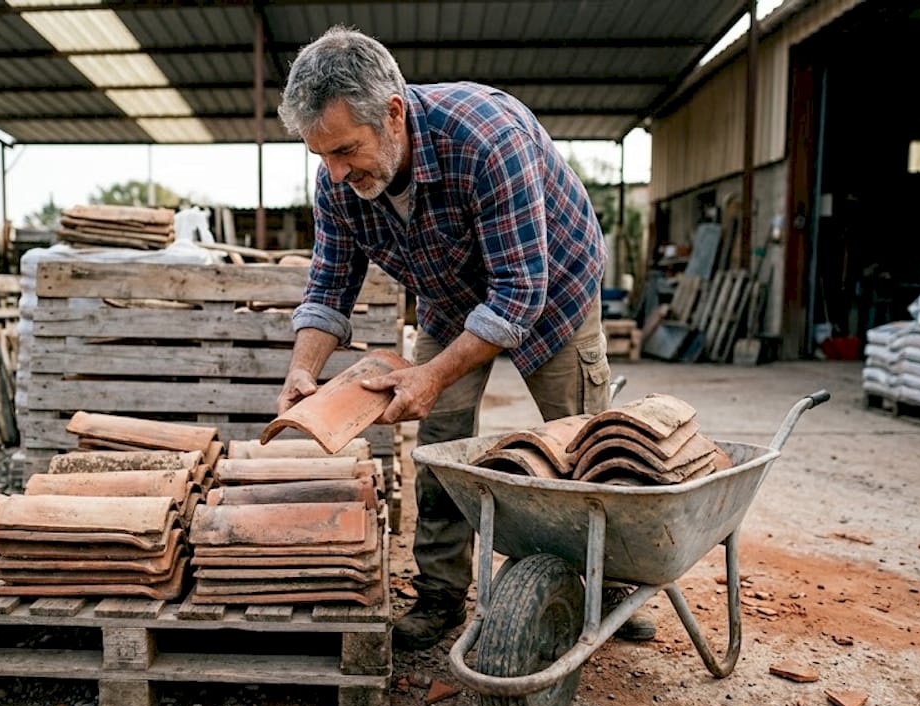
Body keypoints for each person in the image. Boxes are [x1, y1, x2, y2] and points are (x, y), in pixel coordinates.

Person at [274, 25, 654, 651]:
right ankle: (443, 596)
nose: (336, 173)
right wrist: (301, 370)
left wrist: (429, 374)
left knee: (587, 443)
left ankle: (609, 583)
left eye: (345, 150)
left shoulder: (486, 140)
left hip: (551, 287)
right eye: (322, 156)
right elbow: (326, 290)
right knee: (441, 445)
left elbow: (517, 296)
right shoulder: (336, 183)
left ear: (392, 113)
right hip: (450, 298)